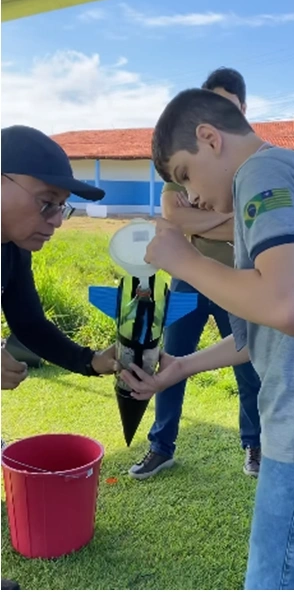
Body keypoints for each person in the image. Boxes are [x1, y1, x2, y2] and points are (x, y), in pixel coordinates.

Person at [120, 89, 294, 590]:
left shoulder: (261, 175)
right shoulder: (293, 173)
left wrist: (184, 260)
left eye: (184, 174)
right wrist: (183, 366)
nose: (190, 196)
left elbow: (290, 307)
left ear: (209, 138)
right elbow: (269, 324)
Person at [0, 125, 122, 592]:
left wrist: (92, 360)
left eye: (62, 207)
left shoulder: (11, 250)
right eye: (45, 201)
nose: (55, 218)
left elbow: (29, 324)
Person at [131, 67, 262, 481]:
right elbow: (173, 214)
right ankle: (160, 445)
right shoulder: (186, 152)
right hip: (188, 280)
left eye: (229, 106)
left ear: (243, 109)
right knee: (170, 357)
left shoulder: (259, 166)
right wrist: (230, 216)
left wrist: (199, 219)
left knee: (248, 361)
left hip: (237, 280)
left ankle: (255, 445)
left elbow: (245, 224)